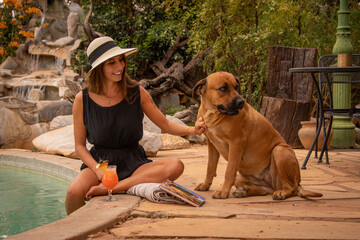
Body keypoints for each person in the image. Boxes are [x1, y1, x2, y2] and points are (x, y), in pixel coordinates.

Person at [65, 36, 207, 215]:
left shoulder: (137, 92)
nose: (119, 67)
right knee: (73, 193)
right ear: (99, 68)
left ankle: (114, 187)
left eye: (121, 60)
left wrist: (192, 129)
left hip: (134, 162)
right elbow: (79, 146)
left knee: (175, 165)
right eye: (111, 63)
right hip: (101, 163)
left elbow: (164, 123)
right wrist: (97, 169)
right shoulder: (82, 100)